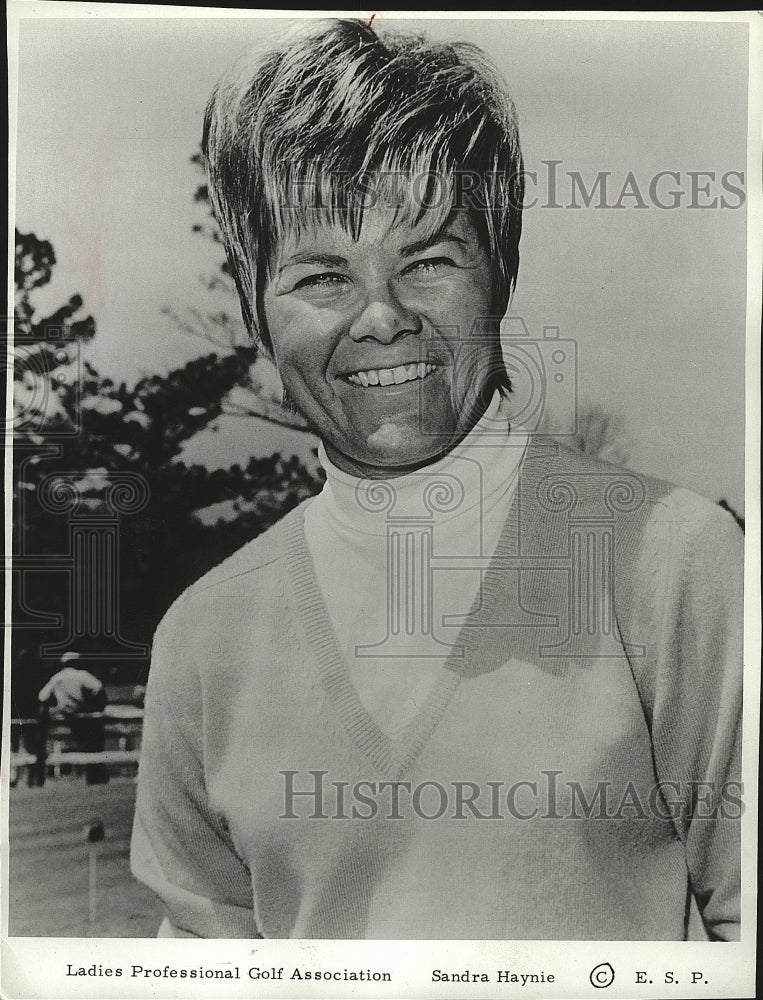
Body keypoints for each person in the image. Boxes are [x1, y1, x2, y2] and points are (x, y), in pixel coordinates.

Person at [130, 18, 743, 940]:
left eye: (428, 260)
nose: (381, 317)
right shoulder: (201, 642)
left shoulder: (673, 562)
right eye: (321, 276)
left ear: (501, 271)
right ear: (257, 309)